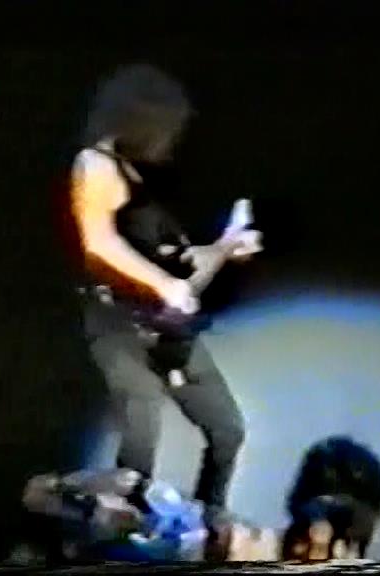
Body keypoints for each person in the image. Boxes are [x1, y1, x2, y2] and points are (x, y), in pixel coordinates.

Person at [66, 63, 262, 531]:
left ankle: (208, 524)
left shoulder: (145, 194)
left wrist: (227, 246)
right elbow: (98, 243)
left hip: (169, 332)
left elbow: (186, 276)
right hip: (118, 325)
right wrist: (162, 283)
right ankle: (122, 529)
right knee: (143, 424)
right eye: (166, 129)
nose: (170, 142)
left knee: (227, 429)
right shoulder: (95, 164)